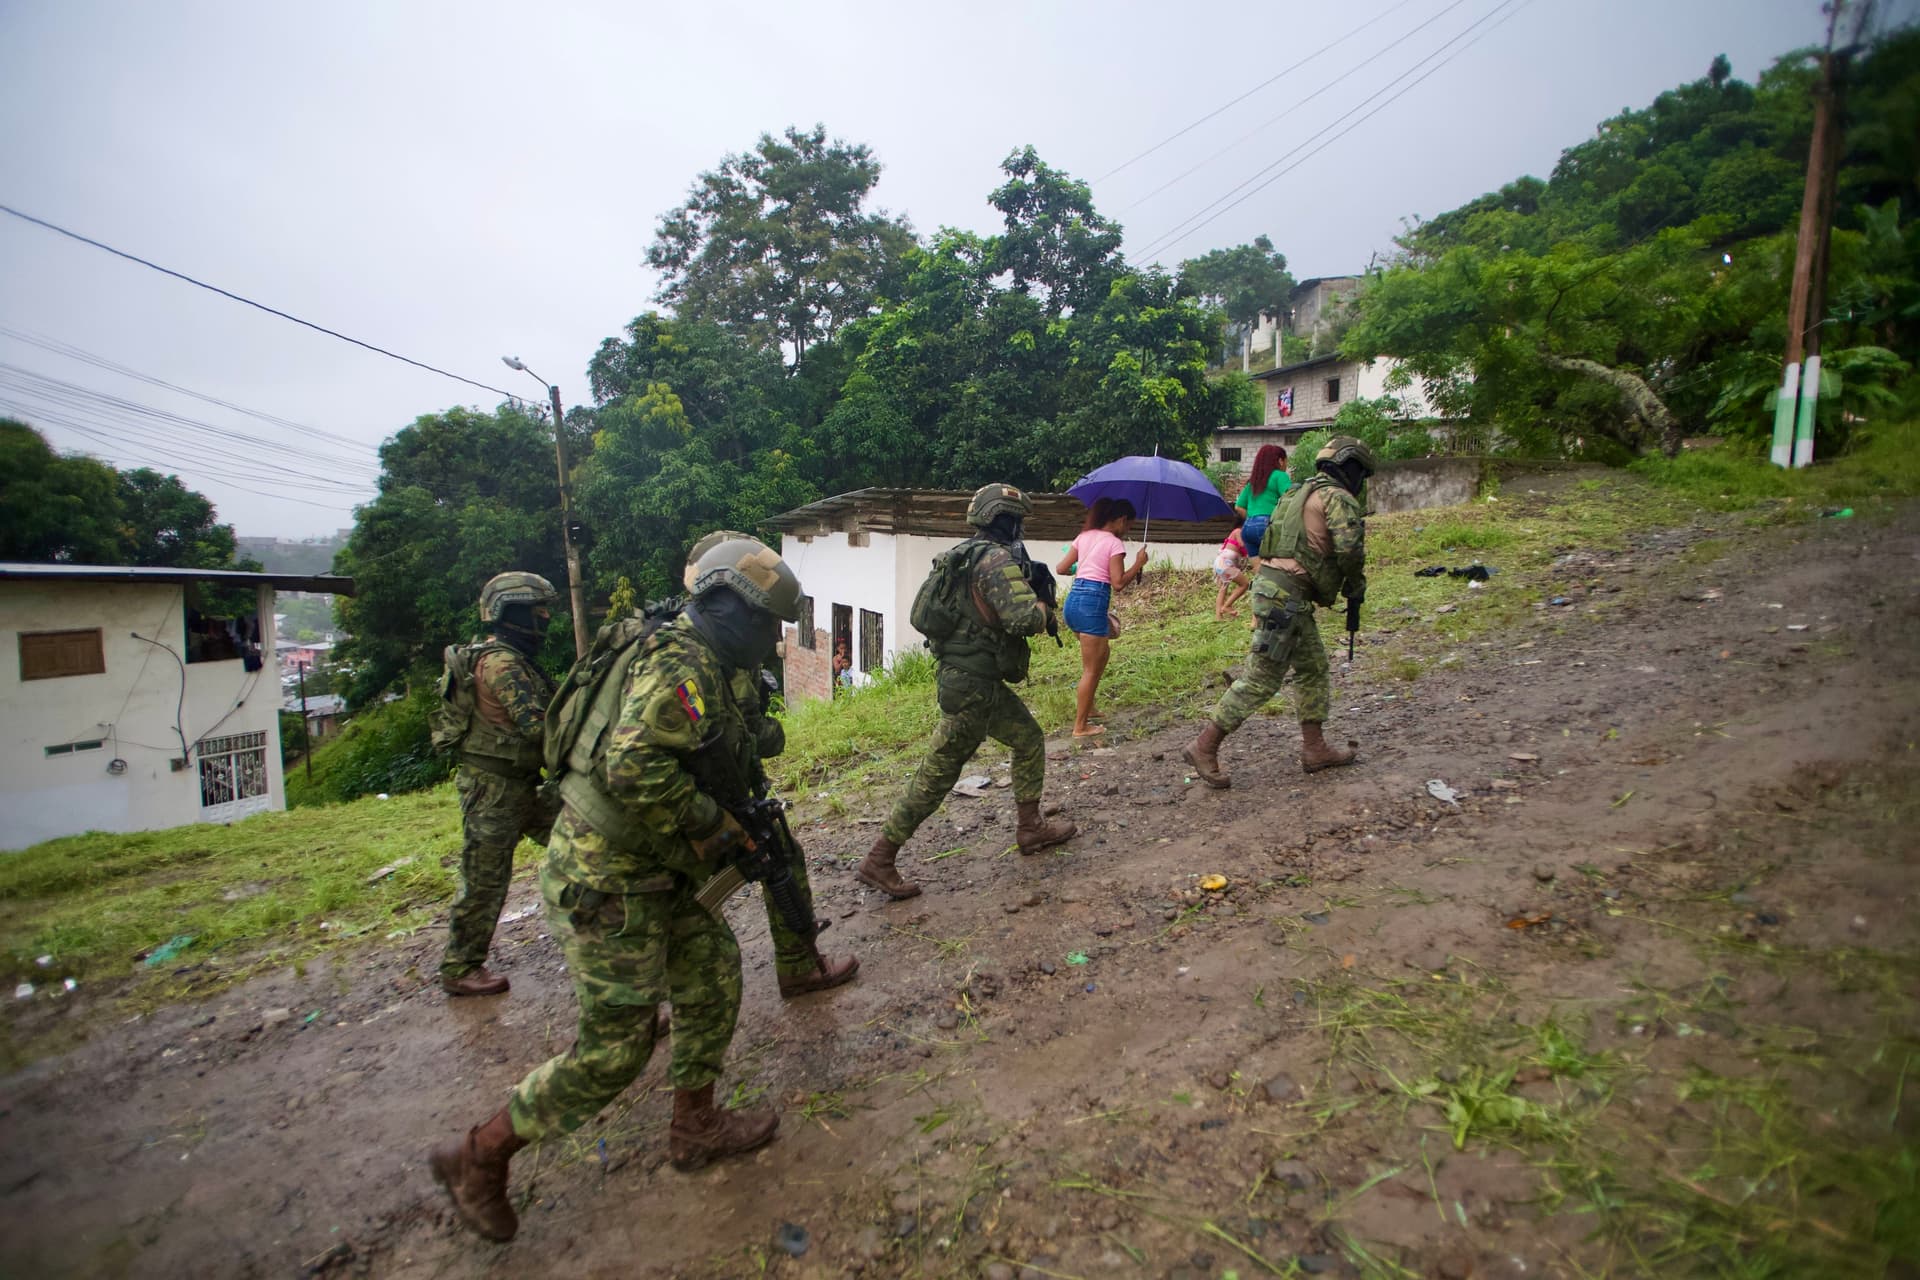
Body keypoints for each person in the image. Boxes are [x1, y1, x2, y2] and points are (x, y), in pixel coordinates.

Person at [429, 534, 808, 1243]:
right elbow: (634, 767)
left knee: (712, 972)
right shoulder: (679, 661)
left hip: (650, 865)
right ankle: (479, 1155)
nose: (771, 638)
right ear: (731, 609)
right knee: (617, 1049)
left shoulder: (697, 655)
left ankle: (695, 1124)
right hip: (606, 878)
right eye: (766, 623)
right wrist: (716, 829)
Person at [854, 483, 1076, 898]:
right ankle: (879, 858)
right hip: (972, 685)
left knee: (1028, 738)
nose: (1021, 528)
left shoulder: (964, 555)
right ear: (1006, 520)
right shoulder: (994, 560)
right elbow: (1022, 620)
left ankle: (1030, 827)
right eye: (1018, 520)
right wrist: (1045, 606)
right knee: (937, 772)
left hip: (971, 679)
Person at [1185, 436, 1374, 786]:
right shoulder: (1336, 497)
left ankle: (1315, 748)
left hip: (1278, 591)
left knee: (1313, 667)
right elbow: (1349, 549)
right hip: (1286, 597)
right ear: (1352, 469)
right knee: (1262, 678)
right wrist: (1355, 584)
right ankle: (1204, 745)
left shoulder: (1300, 492)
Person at [432, 571, 561, 998]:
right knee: (485, 879)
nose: (544, 617)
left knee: (583, 841)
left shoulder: (504, 657)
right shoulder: (502, 664)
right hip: (494, 790)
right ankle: (460, 966)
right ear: (513, 612)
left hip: (519, 785)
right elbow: (538, 728)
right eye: (537, 609)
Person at [1056, 497, 1147, 738]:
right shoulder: (1115, 543)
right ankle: (1080, 727)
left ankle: (1090, 707)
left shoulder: (1084, 536)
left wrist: (1085, 567)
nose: (1127, 531)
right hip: (1092, 603)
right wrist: (1138, 564)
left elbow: (1061, 568)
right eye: (1129, 525)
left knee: (1102, 655)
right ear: (1121, 519)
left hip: (1073, 602)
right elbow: (1118, 583)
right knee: (1091, 669)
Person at [1232, 443, 1292, 554]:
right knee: (1275, 562)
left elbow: (1238, 507)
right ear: (1280, 461)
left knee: (1257, 564)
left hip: (1248, 528)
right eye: (1286, 462)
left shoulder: (1253, 481)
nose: (1286, 466)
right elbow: (1290, 498)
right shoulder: (1280, 475)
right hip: (1267, 525)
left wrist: (1253, 519)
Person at [1212, 526, 1252, 619]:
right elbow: (1243, 545)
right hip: (1224, 564)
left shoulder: (1239, 534)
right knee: (1245, 584)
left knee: (1223, 588)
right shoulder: (1237, 531)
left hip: (1222, 564)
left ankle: (1218, 617)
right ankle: (1227, 606)